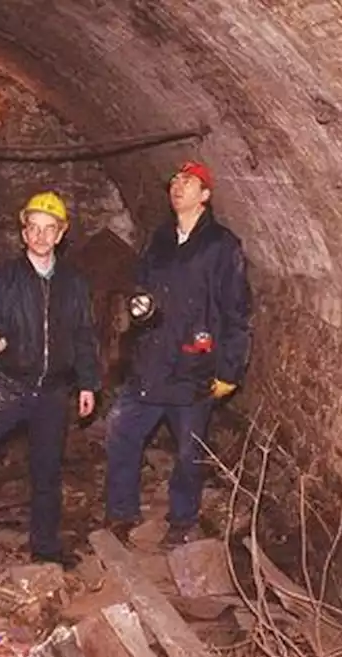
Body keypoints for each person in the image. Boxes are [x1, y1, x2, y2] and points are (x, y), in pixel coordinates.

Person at [0, 191, 100, 570]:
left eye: (50, 229)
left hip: (53, 391)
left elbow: (83, 335)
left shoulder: (74, 284)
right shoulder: (4, 280)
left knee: (47, 471)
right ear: (24, 233)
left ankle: (44, 548)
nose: (42, 236)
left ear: (61, 234)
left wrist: (89, 382)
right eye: (34, 228)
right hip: (7, 386)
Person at [103, 160, 253, 549]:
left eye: (188, 181)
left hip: (193, 367)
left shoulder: (222, 246)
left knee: (190, 452)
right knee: (121, 431)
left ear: (205, 195)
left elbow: (237, 310)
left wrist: (230, 370)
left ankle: (182, 520)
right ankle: (122, 513)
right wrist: (140, 312)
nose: (177, 186)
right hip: (152, 362)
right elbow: (142, 289)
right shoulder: (160, 240)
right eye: (174, 180)